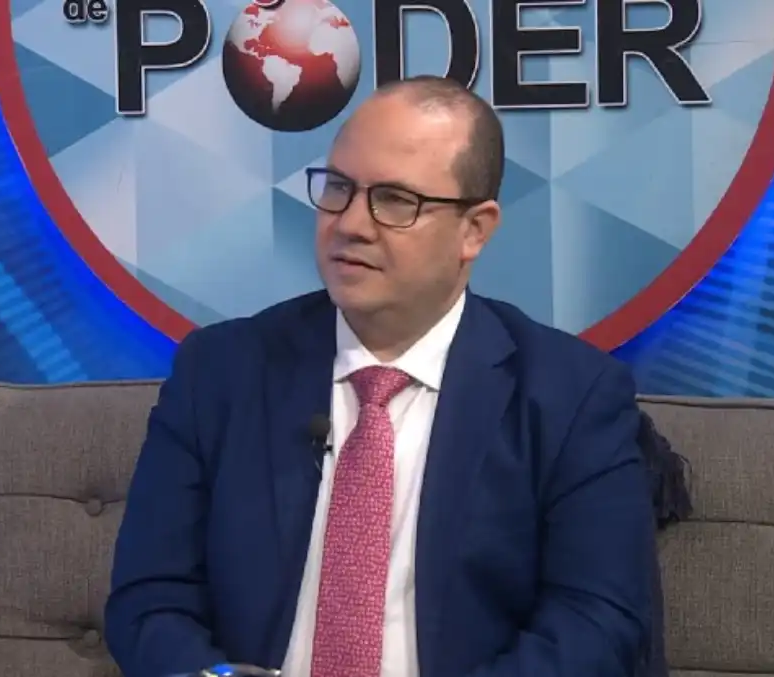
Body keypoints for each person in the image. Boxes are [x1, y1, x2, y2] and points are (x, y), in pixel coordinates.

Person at [106, 75, 661, 677]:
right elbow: (150, 600)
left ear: (474, 230)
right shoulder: (220, 371)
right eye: (338, 188)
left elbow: (595, 623)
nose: (351, 223)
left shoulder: (571, 395)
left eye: (395, 200)